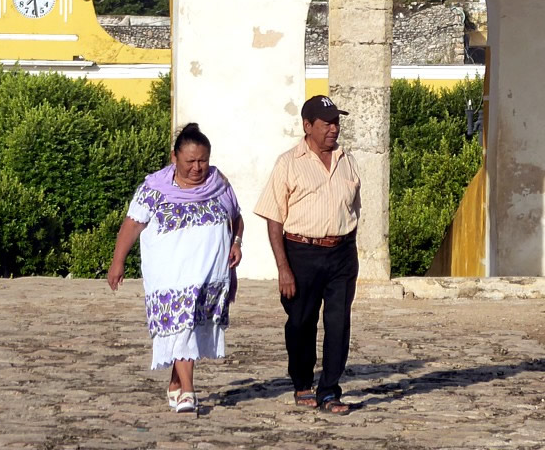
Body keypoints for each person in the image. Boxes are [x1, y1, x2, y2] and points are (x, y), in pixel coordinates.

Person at [107, 123, 244, 413]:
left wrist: (237, 242)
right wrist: (117, 261)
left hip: (209, 274)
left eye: (203, 160)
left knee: (191, 328)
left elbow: (236, 216)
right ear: (174, 158)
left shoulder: (219, 184)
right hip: (171, 276)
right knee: (182, 326)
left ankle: (175, 383)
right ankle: (189, 392)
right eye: (190, 162)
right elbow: (132, 224)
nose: (197, 167)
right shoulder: (154, 189)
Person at [253, 95, 361, 416]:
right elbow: (274, 216)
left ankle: (329, 391)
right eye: (326, 123)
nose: (333, 129)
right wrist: (283, 268)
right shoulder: (288, 163)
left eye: (336, 122)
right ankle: (302, 382)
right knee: (301, 322)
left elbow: (354, 208)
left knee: (339, 324)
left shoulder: (348, 160)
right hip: (301, 252)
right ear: (307, 126)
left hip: (341, 253)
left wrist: (349, 247)